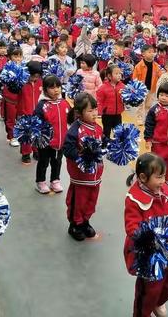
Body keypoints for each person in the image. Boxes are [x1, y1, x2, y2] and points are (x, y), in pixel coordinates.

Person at [124, 153, 168, 317]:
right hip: (149, 254)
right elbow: (131, 226)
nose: (163, 181)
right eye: (159, 177)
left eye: (164, 176)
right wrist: (147, 237)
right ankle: (143, 312)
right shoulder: (134, 199)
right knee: (149, 290)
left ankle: (157, 303)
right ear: (143, 177)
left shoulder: (163, 190)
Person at [63, 92, 104, 241]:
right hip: (80, 176)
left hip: (96, 175)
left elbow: (103, 142)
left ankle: (86, 221)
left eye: (95, 109)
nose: (94, 114)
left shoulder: (97, 128)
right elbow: (67, 149)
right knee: (78, 200)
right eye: (89, 111)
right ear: (79, 113)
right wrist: (81, 157)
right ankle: (75, 224)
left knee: (91, 199)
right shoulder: (75, 130)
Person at [34, 75, 71, 193]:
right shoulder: (42, 105)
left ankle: (55, 180)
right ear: (45, 89)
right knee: (43, 162)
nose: (56, 90)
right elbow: (35, 122)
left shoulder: (64, 103)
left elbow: (70, 118)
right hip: (46, 142)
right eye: (52, 87)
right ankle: (40, 182)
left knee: (57, 161)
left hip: (60, 141)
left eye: (58, 87)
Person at [144, 82, 168, 187]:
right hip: (158, 143)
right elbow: (149, 125)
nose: (163, 98)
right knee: (158, 164)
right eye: (161, 95)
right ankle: (157, 181)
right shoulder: (154, 110)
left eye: (167, 95)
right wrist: (148, 140)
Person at [17, 61, 43, 165]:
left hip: (38, 113)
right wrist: (19, 113)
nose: (34, 79)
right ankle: (26, 153)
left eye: (37, 76)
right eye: (33, 76)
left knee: (37, 133)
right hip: (24, 113)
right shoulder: (21, 83)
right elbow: (16, 98)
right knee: (26, 135)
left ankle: (36, 151)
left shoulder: (40, 83)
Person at [133, 44, 163, 125]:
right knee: (140, 105)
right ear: (143, 54)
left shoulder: (156, 66)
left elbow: (161, 75)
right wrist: (135, 89)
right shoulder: (138, 66)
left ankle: (146, 117)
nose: (152, 54)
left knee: (148, 105)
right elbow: (134, 79)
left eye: (153, 52)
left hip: (151, 88)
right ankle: (139, 118)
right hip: (141, 89)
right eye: (149, 52)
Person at [3, 47, 24, 147]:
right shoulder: (7, 68)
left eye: (20, 56)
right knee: (11, 118)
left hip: (21, 99)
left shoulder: (25, 68)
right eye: (15, 56)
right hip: (10, 98)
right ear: (10, 57)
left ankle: (18, 134)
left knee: (20, 118)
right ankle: (12, 136)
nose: (18, 58)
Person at [96, 65, 125, 138]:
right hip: (107, 115)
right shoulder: (103, 88)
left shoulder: (123, 86)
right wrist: (99, 112)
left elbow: (126, 99)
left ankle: (116, 147)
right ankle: (105, 146)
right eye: (116, 73)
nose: (119, 75)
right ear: (109, 76)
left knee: (118, 133)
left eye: (120, 73)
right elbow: (99, 101)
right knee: (106, 132)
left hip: (118, 114)